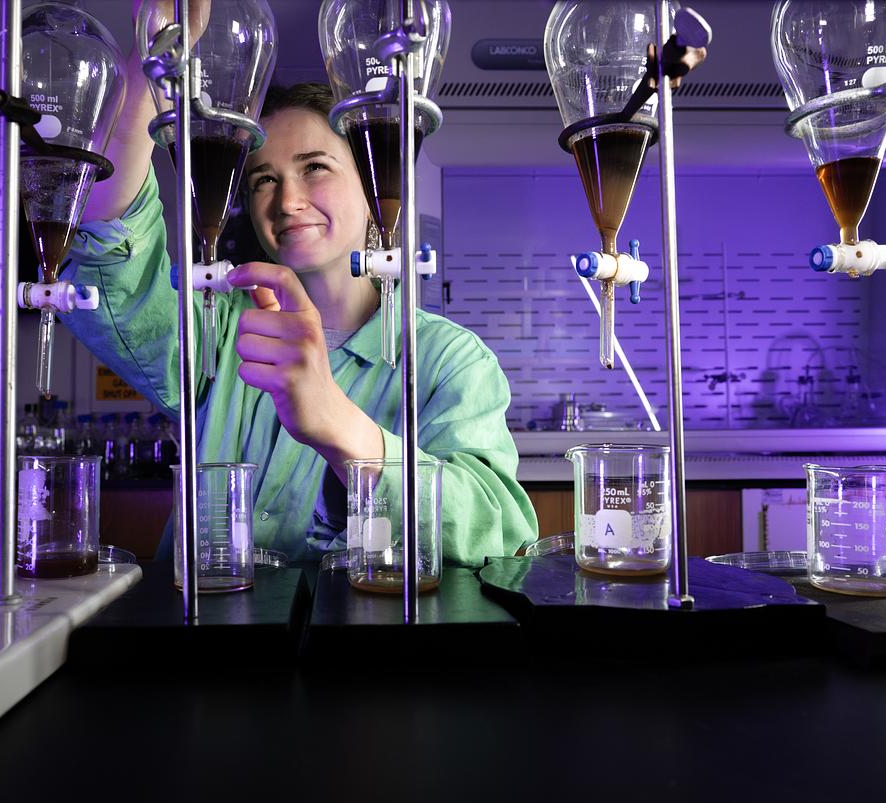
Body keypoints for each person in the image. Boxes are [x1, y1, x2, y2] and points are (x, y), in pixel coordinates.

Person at [59, 15, 538, 566]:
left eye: (314, 167)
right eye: (264, 177)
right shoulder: (218, 330)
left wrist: (338, 423)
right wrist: (149, 68)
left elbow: (498, 533)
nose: (286, 201)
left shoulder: (448, 361)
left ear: (374, 181)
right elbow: (112, 256)